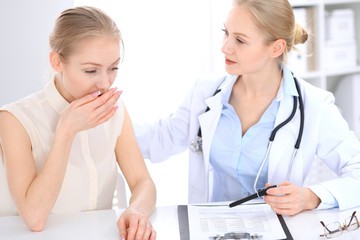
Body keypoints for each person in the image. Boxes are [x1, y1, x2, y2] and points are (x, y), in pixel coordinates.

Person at [135, 0, 360, 216]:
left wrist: (311, 197)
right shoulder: (205, 93)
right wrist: (110, 123)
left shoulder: (314, 105)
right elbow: (160, 139)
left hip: (277, 230)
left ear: (276, 48)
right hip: (211, 229)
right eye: (226, 33)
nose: (225, 48)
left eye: (240, 41)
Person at [0, 6, 156, 240]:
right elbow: (34, 218)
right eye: (91, 70)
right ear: (56, 61)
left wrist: (136, 210)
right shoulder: (15, 119)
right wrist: (66, 131)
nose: (105, 83)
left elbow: (142, 181)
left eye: (113, 68)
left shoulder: (115, 110)